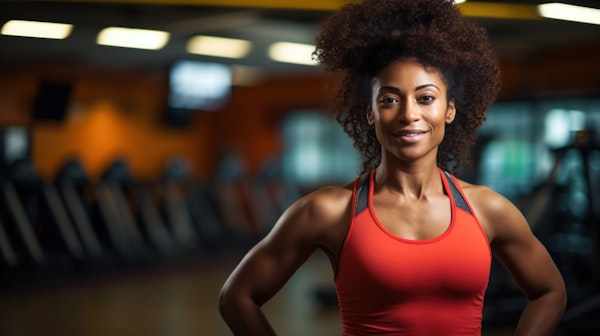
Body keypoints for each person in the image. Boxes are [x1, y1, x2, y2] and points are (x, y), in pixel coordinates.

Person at [218, 0, 567, 335]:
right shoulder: (327, 211)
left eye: (426, 98)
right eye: (389, 99)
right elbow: (237, 298)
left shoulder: (488, 209)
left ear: (450, 110)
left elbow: (550, 292)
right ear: (370, 113)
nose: (408, 114)